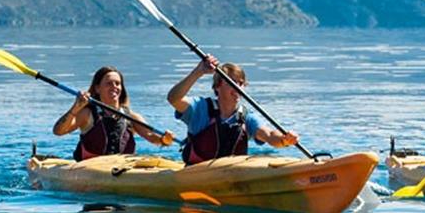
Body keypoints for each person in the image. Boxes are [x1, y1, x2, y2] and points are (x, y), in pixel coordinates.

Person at [167, 54, 299, 165]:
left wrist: (284, 139)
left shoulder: (246, 117)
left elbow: (269, 135)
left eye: (241, 83)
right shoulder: (200, 108)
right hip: (196, 174)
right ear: (217, 86)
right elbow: (174, 99)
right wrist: (199, 71)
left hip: (231, 174)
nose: (238, 87)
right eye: (232, 82)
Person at [53, 66, 174, 161]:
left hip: (121, 168)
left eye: (117, 83)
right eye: (108, 83)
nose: (114, 87)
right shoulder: (87, 114)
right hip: (90, 169)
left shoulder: (131, 116)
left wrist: (164, 140)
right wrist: (75, 108)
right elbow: (58, 131)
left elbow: (151, 137)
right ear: (97, 88)